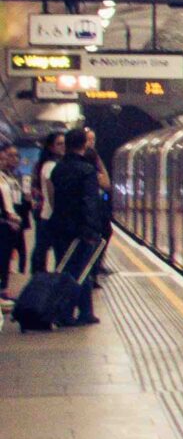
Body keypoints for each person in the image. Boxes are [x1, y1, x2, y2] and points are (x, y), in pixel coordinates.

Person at [49, 129, 108, 326]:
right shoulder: (87, 170)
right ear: (84, 144)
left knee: (65, 269)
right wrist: (92, 230)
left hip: (60, 227)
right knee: (82, 271)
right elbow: (89, 203)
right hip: (81, 230)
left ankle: (64, 312)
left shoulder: (58, 169)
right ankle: (84, 312)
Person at [31, 132, 67, 274]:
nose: (63, 147)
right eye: (59, 144)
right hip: (51, 216)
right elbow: (53, 194)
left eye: (64, 143)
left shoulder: (50, 165)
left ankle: (40, 280)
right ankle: (44, 282)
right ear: (51, 147)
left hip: (48, 216)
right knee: (55, 252)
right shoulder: (51, 166)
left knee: (42, 250)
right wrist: (59, 214)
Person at [0, 150, 25, 296]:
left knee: (5, 256)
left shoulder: (6, 177)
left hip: (9, 222)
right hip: (4, 222)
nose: (3, 162)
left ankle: (4, 288)